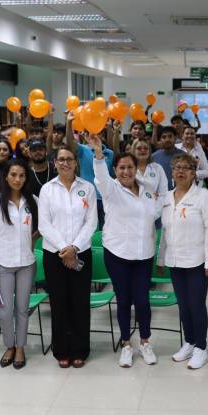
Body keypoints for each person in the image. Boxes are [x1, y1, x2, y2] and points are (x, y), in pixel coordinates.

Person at [89, 135, 162, 367]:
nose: (126, 172)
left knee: (142, 300)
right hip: (118, 254)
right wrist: (99, 154)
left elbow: (160, 212)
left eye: (130, 167)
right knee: (123, 300)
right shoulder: (110, 189)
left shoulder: (149, 191)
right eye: (121, 168)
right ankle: (126, 345)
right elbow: (100, 176)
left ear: (136, 169)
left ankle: (145, 341)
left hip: (143, 254)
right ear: (115, 170)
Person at [37, 146, 97, 368]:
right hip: (54, 255)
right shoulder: (47, 189)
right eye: (60, 159)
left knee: (80, 302)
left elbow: (91, 222)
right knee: (59, 303)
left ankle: (80, 349)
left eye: (69, 159)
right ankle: (61, 349)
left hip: (82, 252)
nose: (65, 163)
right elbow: (44, 224)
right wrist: (65, 248)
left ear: (76, 162)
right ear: (55, 163)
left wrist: (75, 247)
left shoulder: (87, 188)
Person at [158, 154, 208, 370]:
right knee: (183, 306)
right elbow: (165, 230)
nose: (180, 171)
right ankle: (190, 342)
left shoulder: (203, 197)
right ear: (172, 171)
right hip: (175, 261)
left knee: (196, 305)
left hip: (197, 261)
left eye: (186, 168)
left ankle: (201, 347)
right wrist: (161, 257)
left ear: (194, 173)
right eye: (176, 167)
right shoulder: (166, 197)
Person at [0, 160, 39, 370]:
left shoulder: (33, 201)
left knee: (22, 309)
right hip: (3, 266)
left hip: (26, 264)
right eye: (13, 175)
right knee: (5, 310)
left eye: (22, 175)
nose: (17, 179)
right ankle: (9, 345)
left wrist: (34, 240)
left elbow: (44, 225)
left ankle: (21, 347)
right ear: (6, 176)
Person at [152, 126, 185, 190]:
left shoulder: (184, 156)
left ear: (175, 138)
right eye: (164, 137)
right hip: (159, 194)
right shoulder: (154, 157)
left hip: (179, 194)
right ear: (160, 140)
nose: (167, 139)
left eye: (170, 136)